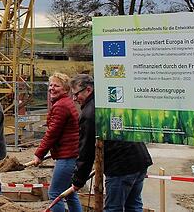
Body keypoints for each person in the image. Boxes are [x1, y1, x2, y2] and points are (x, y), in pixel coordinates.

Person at [69, 74, 152, 212]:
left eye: (76, 94)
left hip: (121, 166)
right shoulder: (107, 100)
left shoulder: (90, 112)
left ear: (88, 90)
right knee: (134, 205)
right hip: (139, 158)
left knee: (113, 209)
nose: (74, 99)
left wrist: (78, 180)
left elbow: (86, 150)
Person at [31, 72, 81, 212]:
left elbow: (52, 133)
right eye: (50, 85)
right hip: (71, 154)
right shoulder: (65, 103)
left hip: (67, 156)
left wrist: (39, 154)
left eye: (56, 85)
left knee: (55, 194)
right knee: (70, 194)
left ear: (65, 89)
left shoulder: (61, 106)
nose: (52, 88)